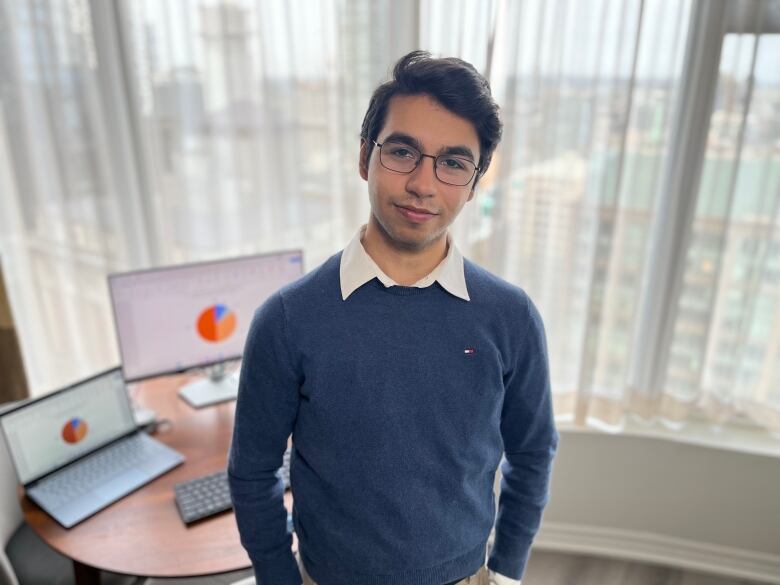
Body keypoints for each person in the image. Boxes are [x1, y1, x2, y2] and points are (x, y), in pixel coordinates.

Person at [228, 50, 558, 585]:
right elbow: (252, 472)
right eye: (403, 152)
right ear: (365, 158)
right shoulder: (287, 320)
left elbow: (533, 451)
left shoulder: (511, 316)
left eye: (452, 163)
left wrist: (507, 571)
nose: (423, 185)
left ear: (474, 182)